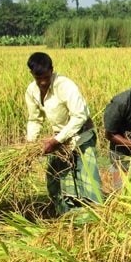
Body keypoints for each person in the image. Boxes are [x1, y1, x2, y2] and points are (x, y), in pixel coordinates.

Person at [24, 52, 104, 216]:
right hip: (59, 140)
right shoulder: (32, 91)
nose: (43, 82)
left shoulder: (65, 86)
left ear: (52, 70)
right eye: (39, 78)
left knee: (89, 182)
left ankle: (95, 218)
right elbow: (35, 119)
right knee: (55, 180)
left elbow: (79, 116)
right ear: (32, 74)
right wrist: (29, 144)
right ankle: (66, 217)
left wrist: (57, 140)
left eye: (46, 77)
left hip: (81, 137)